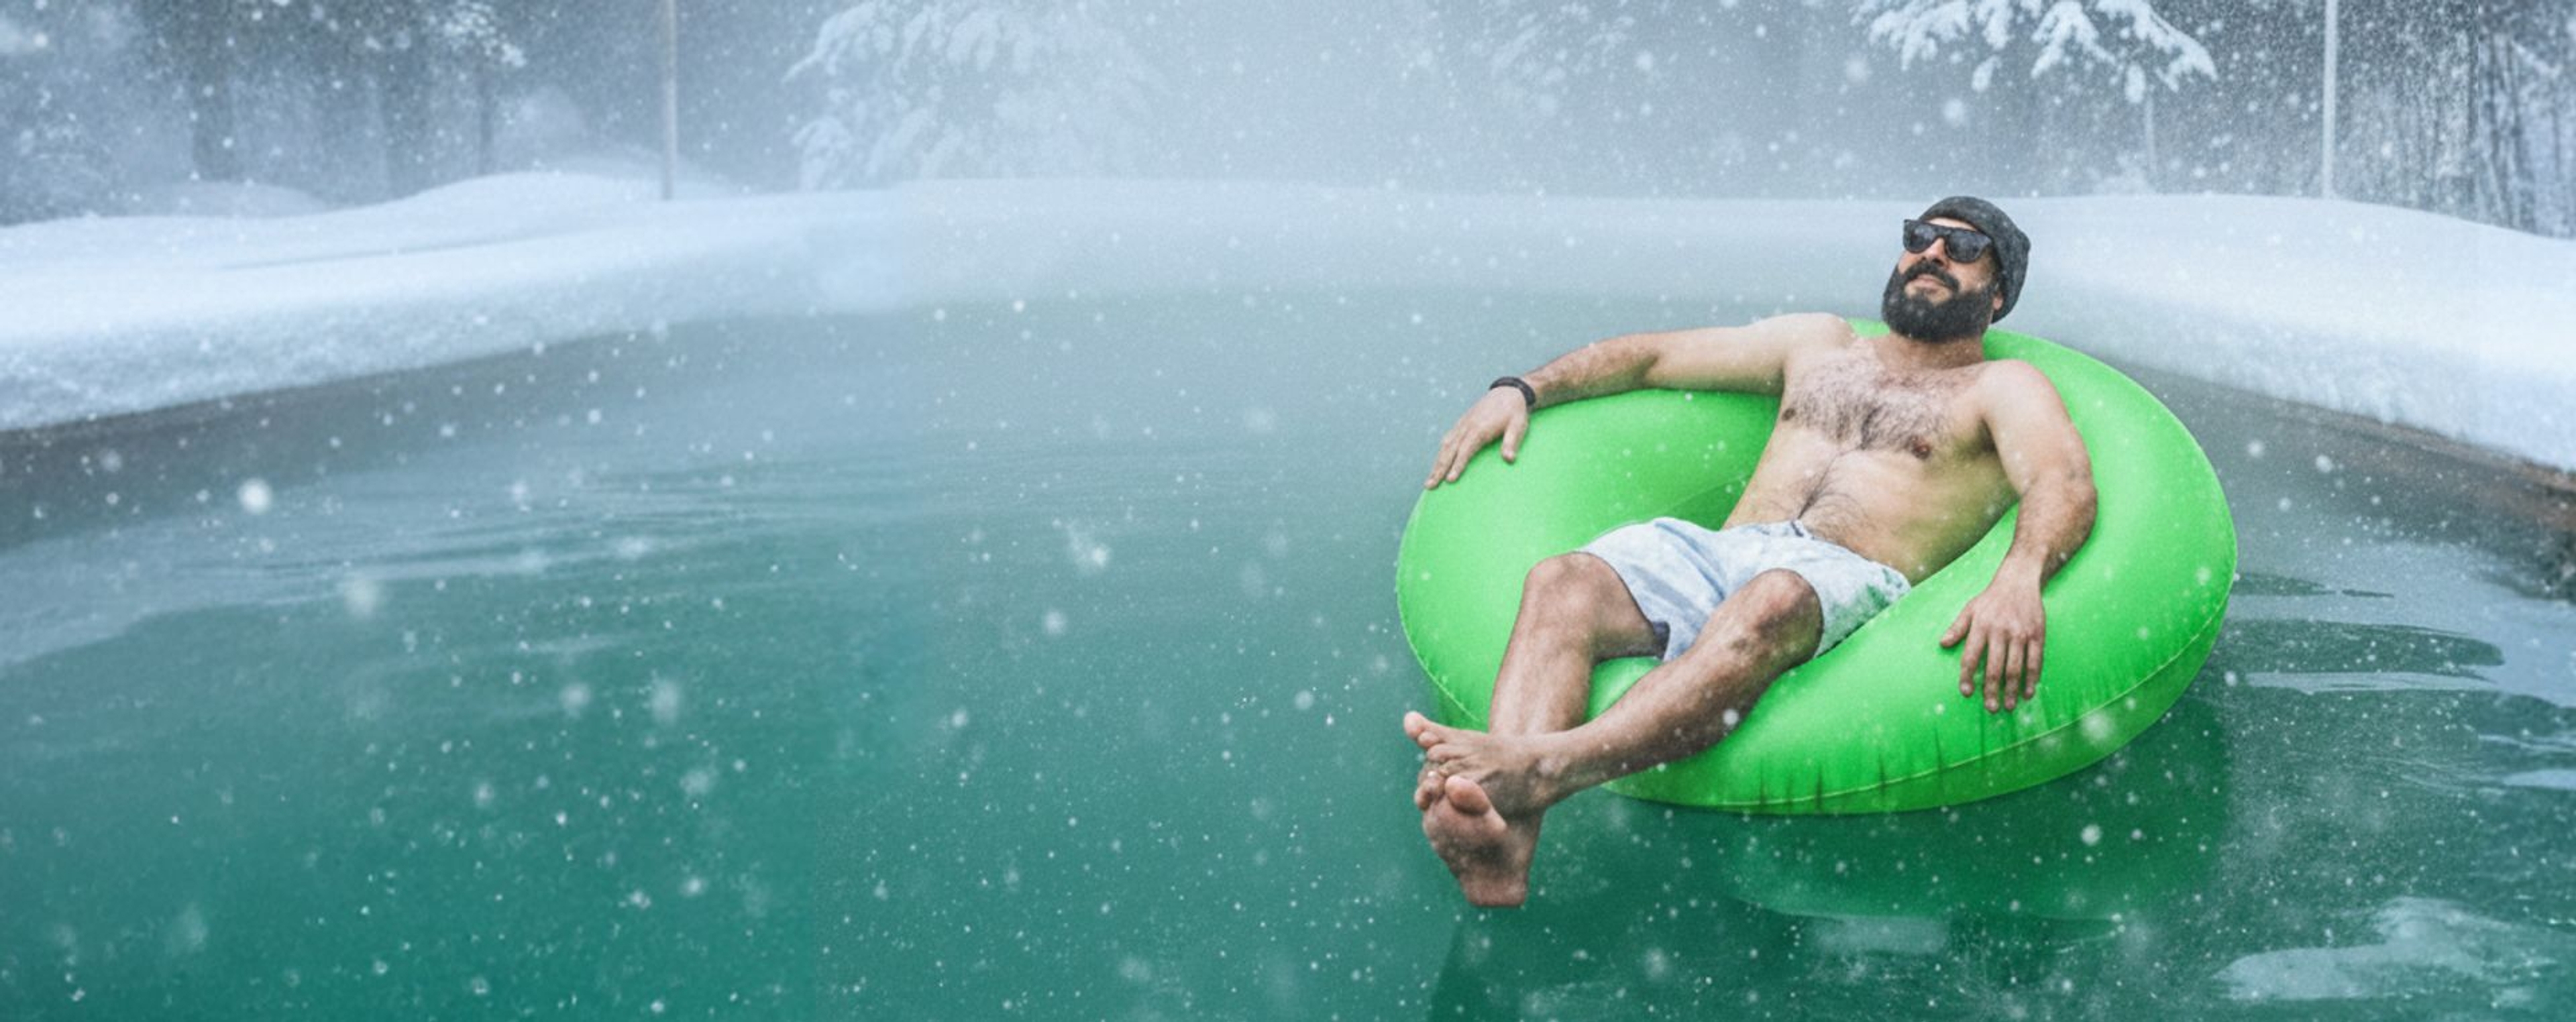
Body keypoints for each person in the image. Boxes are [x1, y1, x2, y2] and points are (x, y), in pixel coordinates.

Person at [1404, 196, 2098, 907]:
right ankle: (1503, 846)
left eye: (1963, 247)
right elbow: (1652, 359)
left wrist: (2021, 575)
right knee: (1561, 580)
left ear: (2000, 290)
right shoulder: (1819, 346)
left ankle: (1538, 769)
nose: (1934, 254)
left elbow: (2061, 480)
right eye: (1921, 237)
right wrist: (1520, 389)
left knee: (1771, 598)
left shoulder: (2000, 387)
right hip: (1724, 551)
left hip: (1840, 573)